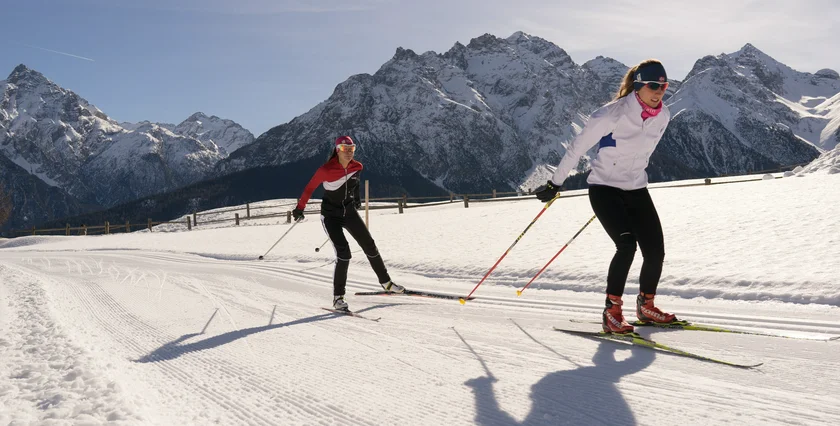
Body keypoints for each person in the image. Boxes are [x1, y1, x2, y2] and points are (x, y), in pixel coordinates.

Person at [534, 59, 678, 334]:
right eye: (653, 85)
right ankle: (611, 312)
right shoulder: (611, 114)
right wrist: (556, 183)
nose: (659, 91)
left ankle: (646, 306)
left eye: (664, 85)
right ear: (638, 86)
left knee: (655, 250)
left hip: (636, 188)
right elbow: (577, 148)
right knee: (626, 245)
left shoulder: (664, 115)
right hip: (604, 188)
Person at [293, 135, 405, 311]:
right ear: (338, 150)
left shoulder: (357, 166)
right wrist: (300, 208)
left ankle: (386, 283)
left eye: (352, 149)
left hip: (349, 212)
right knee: (344, 254)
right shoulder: (326, 170)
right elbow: (309, 188)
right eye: (345, 150)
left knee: (370, 246)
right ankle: (338, 298)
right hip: (331, 216)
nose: (349, 153)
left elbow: (355, 183)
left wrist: (357, 199)